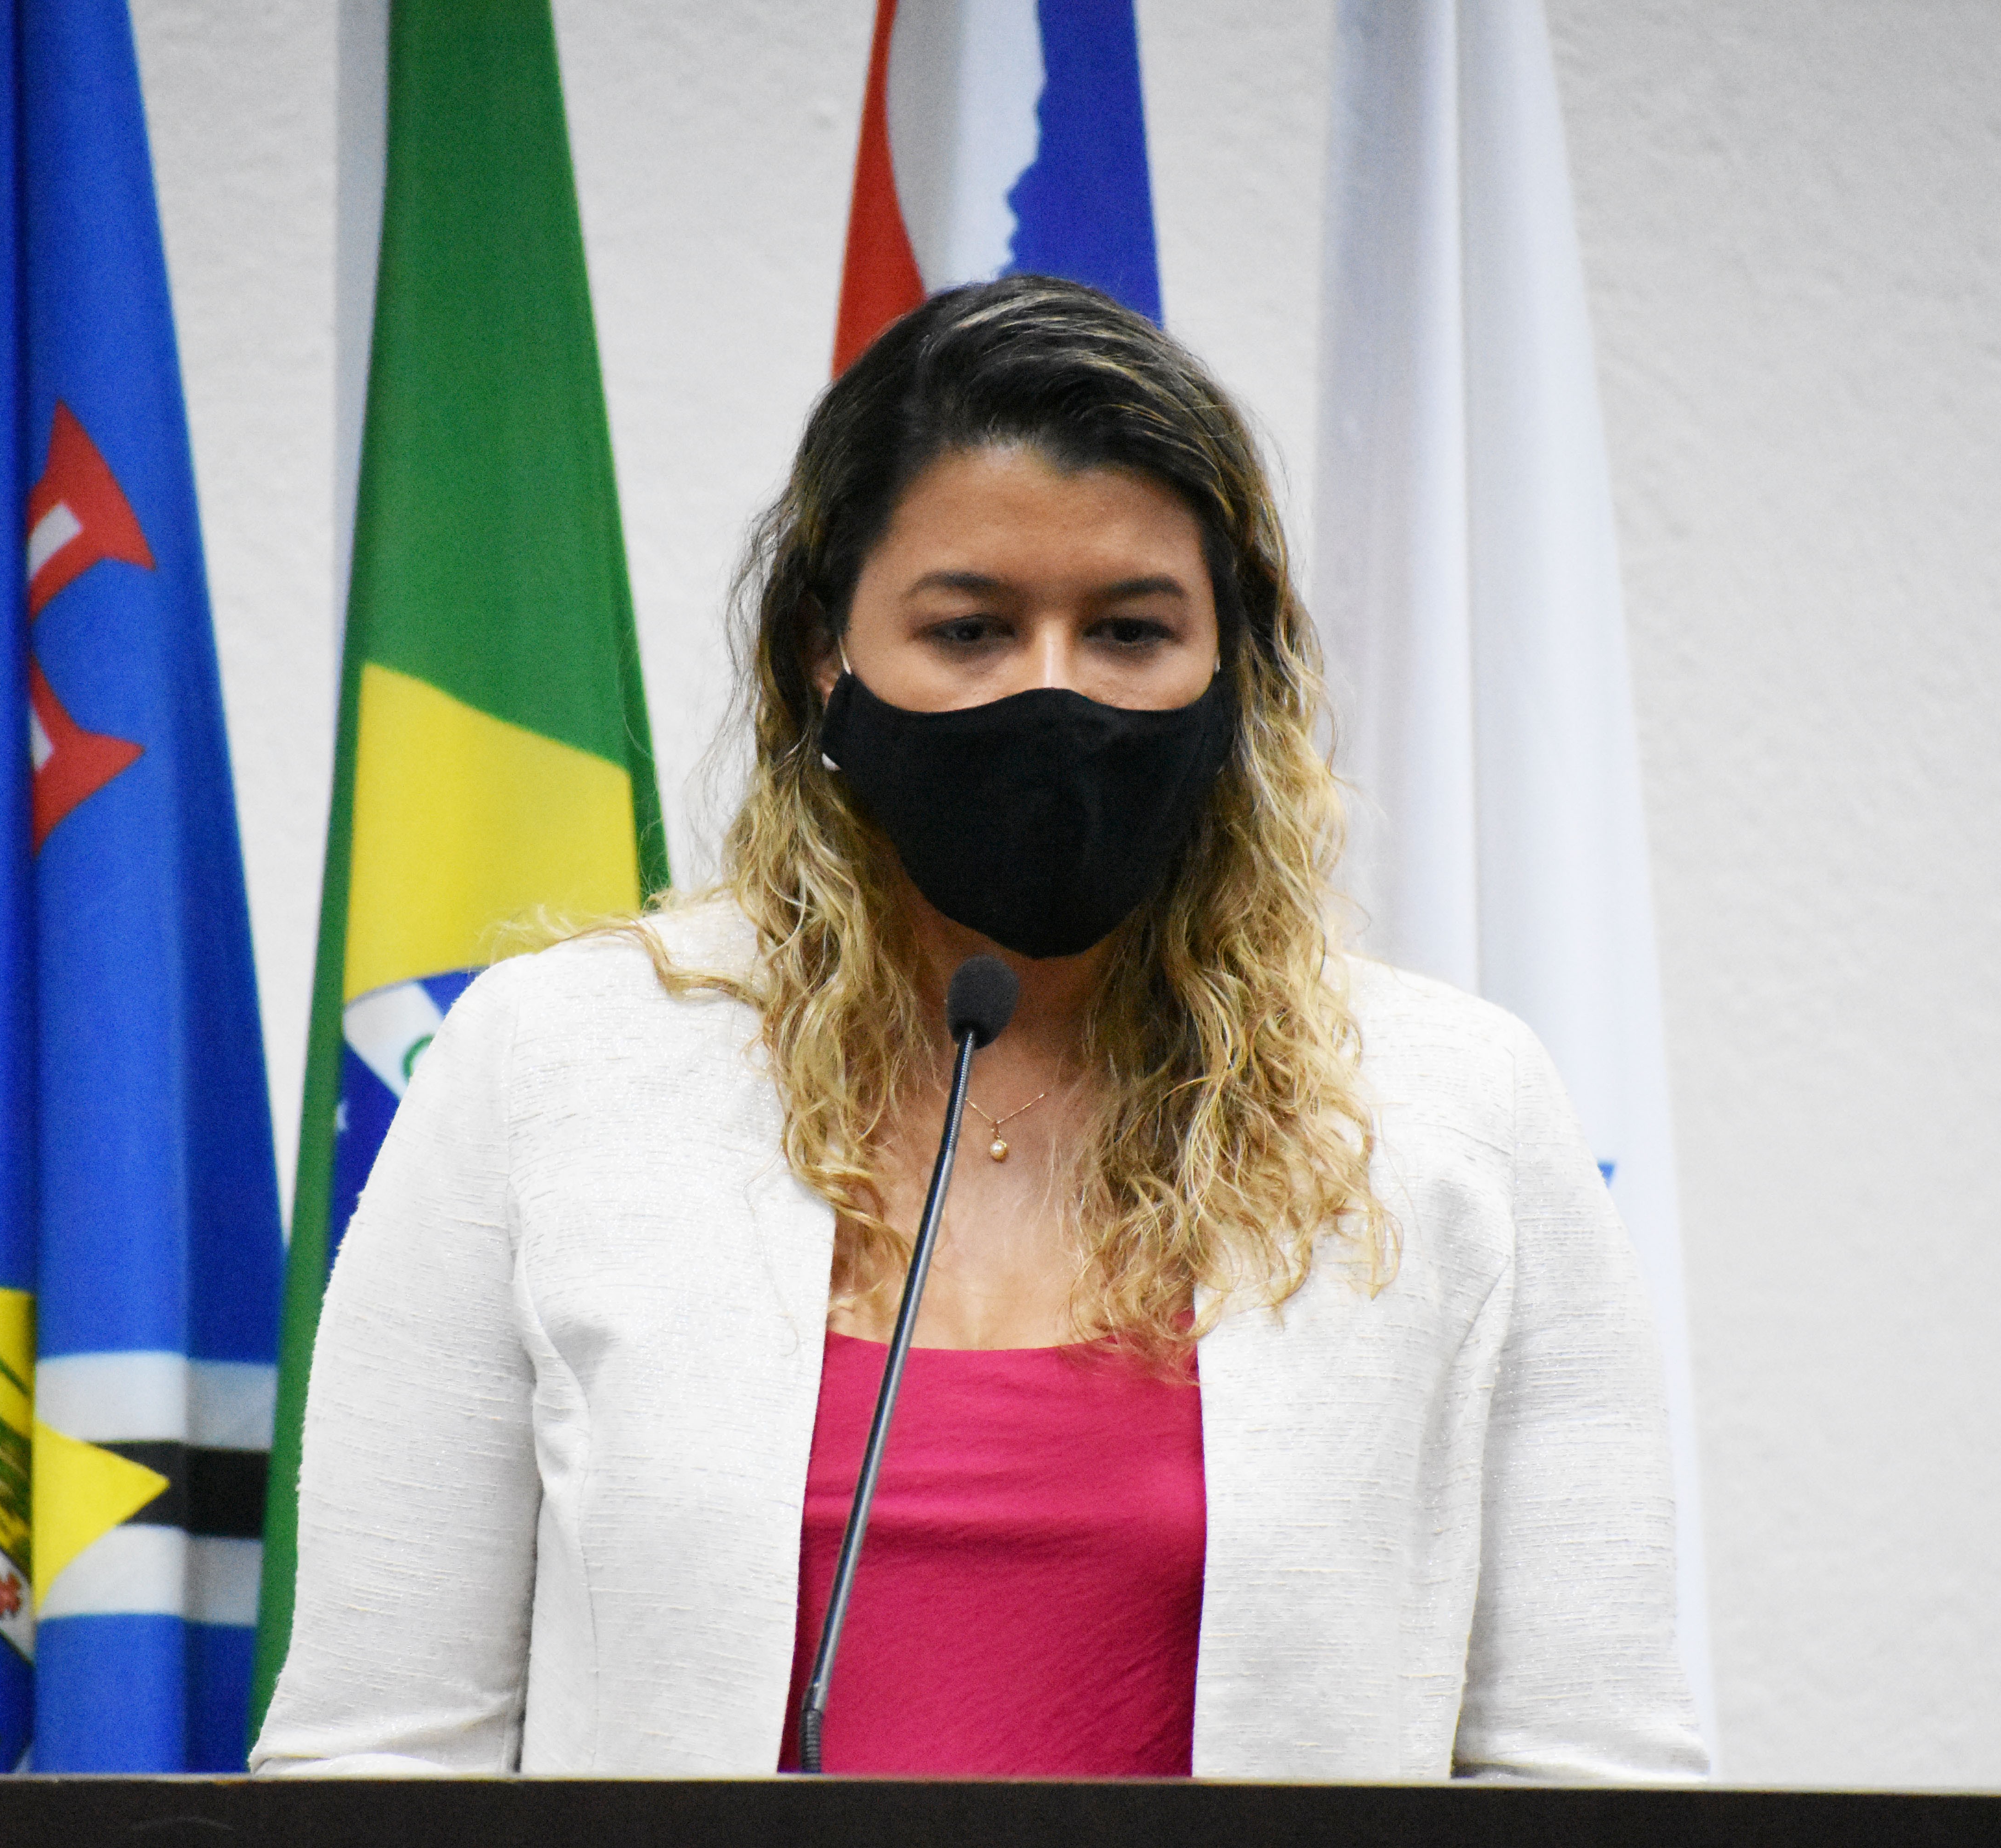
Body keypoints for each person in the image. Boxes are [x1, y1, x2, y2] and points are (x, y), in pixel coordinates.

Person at [251, 276, 1707, 1781]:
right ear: (824, 650)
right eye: (971, 629)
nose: (1052, 694)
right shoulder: (554, 1070)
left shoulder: (1449, 1110)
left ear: (1237, 667)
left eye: (1129, 630)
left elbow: (1588, 1774)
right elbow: (381, 1754)